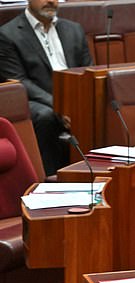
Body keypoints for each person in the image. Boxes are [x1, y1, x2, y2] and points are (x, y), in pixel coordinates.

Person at [0, 0, 92, 176]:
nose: (50, 1)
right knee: (46, 116)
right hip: (34, 100)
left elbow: (88, 70)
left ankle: (97, 176)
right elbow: (19, 82)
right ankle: (48, 178)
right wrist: (60, 106)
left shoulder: (74, 30)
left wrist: (78, 104)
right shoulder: (7, 34)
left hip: (73, 98)